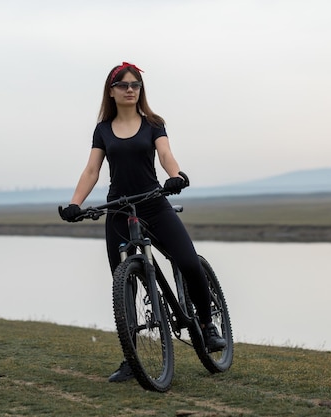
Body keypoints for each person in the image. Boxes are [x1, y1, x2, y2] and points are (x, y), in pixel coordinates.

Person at [59, 62, 226, 383]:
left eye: (135, 84)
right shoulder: (103, 130)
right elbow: (92, 170)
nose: (130, 89)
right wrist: (75, 204)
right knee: (124, 286)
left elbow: (165, 155)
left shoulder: (153, 123)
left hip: (154, 205)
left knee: (189, 262)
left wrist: (175, 176)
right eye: (123, 85)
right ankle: (131, 359)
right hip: (119, 210)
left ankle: (207, 327)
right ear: (111, 91)